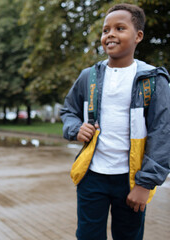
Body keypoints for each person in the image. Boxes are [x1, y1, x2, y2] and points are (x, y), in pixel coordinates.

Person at [60, 3, 170, 240]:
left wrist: (146, 184)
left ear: (138, 36)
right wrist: (75, 128)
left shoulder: (154, 79)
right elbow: (68, 111)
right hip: (92, 176)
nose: (110, 34)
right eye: (105, 30)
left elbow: (163, 132)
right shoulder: (88, 76)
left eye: (120, 28)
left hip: (132, 180)